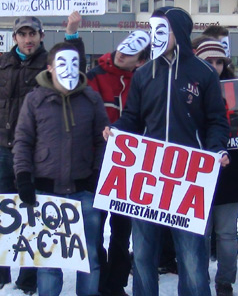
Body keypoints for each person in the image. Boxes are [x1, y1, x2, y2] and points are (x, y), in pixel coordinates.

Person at [0, 10, 85, 295]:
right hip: (6, 151)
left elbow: (74, 74)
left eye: (32, 34)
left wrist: (72, 34)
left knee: (33, 219)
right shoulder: (4, 63)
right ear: (15, 38)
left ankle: (28, 280)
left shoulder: (50, 65)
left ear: (41, 37)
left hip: (41, 156)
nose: (28, 39)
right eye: (22, 34)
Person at [103, 6, 230, 296]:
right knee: (144, 256)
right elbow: (133, 118)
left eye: (161, 30)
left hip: (189, 179)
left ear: (179, 33)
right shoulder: (144, 73)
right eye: (152, 30)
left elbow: (216, 122)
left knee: (192, 259)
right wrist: (118, 129)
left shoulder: (204, 73)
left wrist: (217, 149)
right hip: (146, 177)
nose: (154, 37)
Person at [13, 42, 109, 296]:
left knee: (89, 258)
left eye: (74, 64)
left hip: (84, 193)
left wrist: (96, 178)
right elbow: (22, 140)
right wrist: (23, 177)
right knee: (49, 262)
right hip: (47, 194)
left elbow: (102, 142)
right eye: (62, 65)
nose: (68, 71)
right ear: (50, 68)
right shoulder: (35, 100)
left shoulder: (91, 99)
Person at [86, 30, 150, 296]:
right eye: (123, 48)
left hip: (131, 169)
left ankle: (117, 284)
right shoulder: (94, 76)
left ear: (140, 61)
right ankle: (99, 282)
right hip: (98, 164)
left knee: (122, 231)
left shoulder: (144, 80)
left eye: (132, 53)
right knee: (96, 229)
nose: (123, 53)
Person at [193, 37, 238, 296]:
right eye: (209, 61)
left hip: (231, 172)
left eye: (219, 61)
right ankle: (201, 280)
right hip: (198, 171)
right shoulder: (188, 89)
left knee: (227, 233)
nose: (215, 66)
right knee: (200, 234)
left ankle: (225, 282)